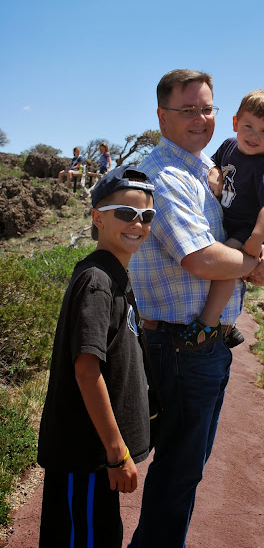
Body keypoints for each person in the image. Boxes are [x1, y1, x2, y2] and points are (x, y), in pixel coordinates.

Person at [128, 69, 264, 548]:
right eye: (187, 109)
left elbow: (245, 229)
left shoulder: (207, 168)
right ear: (162, 116)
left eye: (206, 108)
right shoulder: (165, 176)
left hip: (199, 344)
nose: (200, 118)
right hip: (182, 344)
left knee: (185, 467)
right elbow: (200, 259)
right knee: (179, 470)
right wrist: (254, 263)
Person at [37, 165, 156, 548]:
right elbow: (87, 371)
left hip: (96, 457)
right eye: (125, 212)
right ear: (97, 217)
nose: (137, 223)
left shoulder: (115, 276)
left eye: (147, 216)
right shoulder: (97, 281)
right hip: (86, 457)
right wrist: (117, 453)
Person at [200, 89, 264, 348]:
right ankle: (227, 326)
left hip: (250, 228)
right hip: (230, 221)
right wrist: (215, 172)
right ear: (235, 123)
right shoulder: (229, 146)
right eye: (248, 126)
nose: (254, 136)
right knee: (221, 264)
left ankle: (208, 324)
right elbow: (213, 163)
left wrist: (254, 241)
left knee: (225, 265)